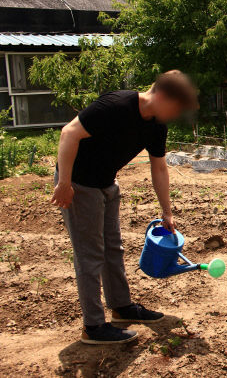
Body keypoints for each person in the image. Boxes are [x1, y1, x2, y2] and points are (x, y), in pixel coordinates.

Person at [51, 70, 199, 344]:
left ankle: (120, 306)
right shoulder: (116, 106)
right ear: (162, 95)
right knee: (90, 254)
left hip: (107, 184)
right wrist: (65, 183)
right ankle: (93, 327)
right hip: (79, 184)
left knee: (113, 248)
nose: (176, 114)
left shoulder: (156, 125)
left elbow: (159, 167)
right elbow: (69, 133)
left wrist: (167, 211)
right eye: (176, 107)